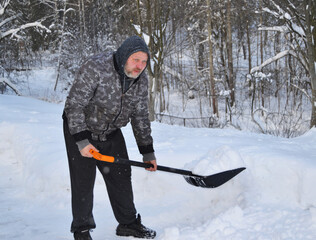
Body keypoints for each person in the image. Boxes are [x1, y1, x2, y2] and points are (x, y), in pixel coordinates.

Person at [62, 35, 157, 240]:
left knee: (121, 176)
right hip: (80, 128)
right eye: (135, 60)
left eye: (144, 61)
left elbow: (140, 115)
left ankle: (128, 224)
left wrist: (147, 151)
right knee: (83, 181)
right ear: (124, 56)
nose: (140, 66)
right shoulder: (96, 67)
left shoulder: (141, 79)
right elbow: (74, 105)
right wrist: (82, 141)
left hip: (111, 131)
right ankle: (82, 230)